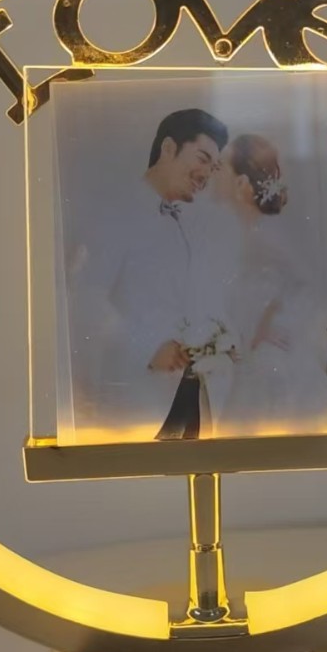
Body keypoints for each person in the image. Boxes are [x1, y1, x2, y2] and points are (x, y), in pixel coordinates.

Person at [65, 108, 229, 442]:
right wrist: (148, 346)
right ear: (168, 148)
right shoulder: (116, 212)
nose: (206, 175)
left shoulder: (182, 222)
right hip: (137, 397)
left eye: (213, 167)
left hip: (189, 391)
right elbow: (86, 299)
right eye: (202, 159)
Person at [211, 134, 327, 437]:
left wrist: (266, 320)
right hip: (249, 353)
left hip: (272, 359)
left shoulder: (266, 234)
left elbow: (305, 282)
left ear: (241, 184)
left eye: (222, 166)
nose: (214, 171)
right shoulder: (242, 232)